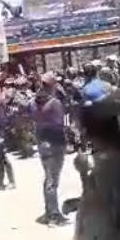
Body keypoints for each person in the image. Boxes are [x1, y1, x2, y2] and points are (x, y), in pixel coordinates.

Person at [32, 73, 69, 226]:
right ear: (53, 85)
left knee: (48, 178)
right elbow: (61, 123)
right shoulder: (55, 103)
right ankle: (53, 216)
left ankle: (50, 210)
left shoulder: (34, 102)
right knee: (53, 180)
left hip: (42, 143)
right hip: (55, 143)